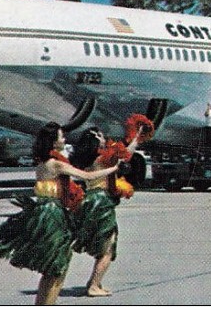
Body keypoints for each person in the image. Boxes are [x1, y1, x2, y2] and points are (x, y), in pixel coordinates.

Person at [0, 122, 119, 305]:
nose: (64, 139)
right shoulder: (56, 164)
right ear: (53, 142)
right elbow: (88, 176)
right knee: (58, 266)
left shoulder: (43, 163)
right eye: (61, 137)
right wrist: (114, 168)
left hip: (43, 211)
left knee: (52, 268)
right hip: (53, 213)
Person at [70, 116, 152, 298]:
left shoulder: (89, 159)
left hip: (91, 199)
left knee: (104, 245)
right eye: (100, 135)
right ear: (95, 140)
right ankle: (93, 285)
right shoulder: (104, 158)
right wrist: (137, 137)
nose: (103, 136)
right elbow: (126, 153)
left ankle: (95, 282)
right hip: (101, 202)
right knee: (108, 248)